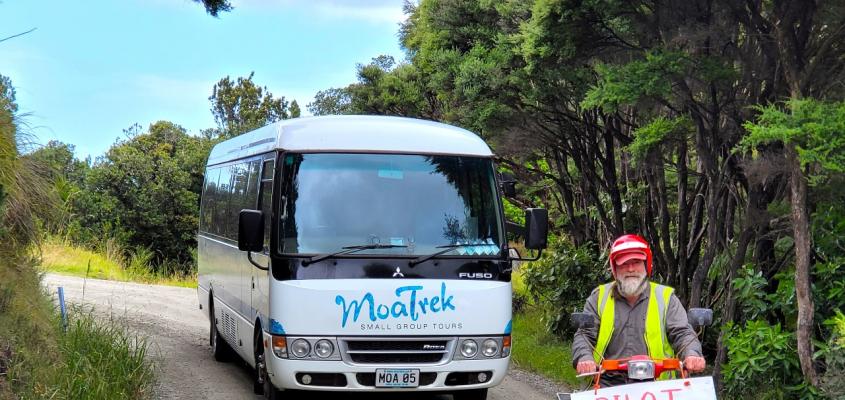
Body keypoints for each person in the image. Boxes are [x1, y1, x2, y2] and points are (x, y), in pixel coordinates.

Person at [571, 234, 706, 387]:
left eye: (636, 262)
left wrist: (692, 354)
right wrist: (584, 358)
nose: (630, 269)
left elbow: (682, 333)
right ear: (614, 268)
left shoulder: (666, 298)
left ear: (646, 265)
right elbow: (584, 334)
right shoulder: (598, 298)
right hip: (606, 384)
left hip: (658, 385)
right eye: (624, 263)